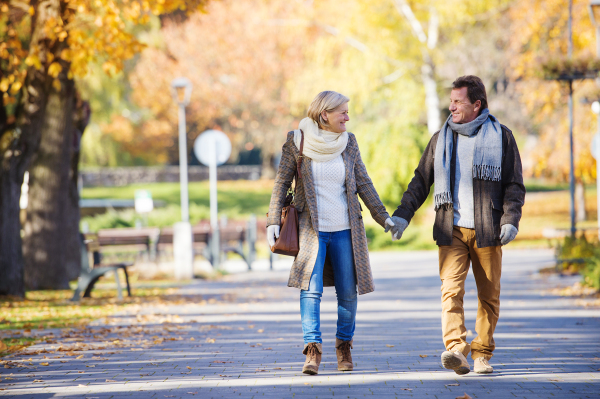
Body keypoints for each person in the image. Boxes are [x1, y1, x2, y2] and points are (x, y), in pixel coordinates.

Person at [386, 76, 525, 375]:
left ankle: (482, 354)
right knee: (451, 291)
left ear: (476, 105)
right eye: (450, 101)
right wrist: (402, 215)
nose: (451, 107)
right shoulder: (442, 138)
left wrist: (511, 220)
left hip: (489, 229)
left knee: (489, 295)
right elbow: (421, 181)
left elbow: (514, 185)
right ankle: (456, 350)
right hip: (452, 228)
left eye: (458, 101)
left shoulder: (502, 136)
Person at [267, 91, 394, 375]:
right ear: (325, 114)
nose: (348, 117)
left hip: (345, 230)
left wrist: (383, 217)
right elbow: (280, 183)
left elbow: (364, 182)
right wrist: (273, 220)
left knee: (348, 292)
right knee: (310, 291)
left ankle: (344, 348)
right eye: (343, 112)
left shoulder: (348, 143)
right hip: (311, 229)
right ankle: (312, 351)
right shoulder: (297, 141)